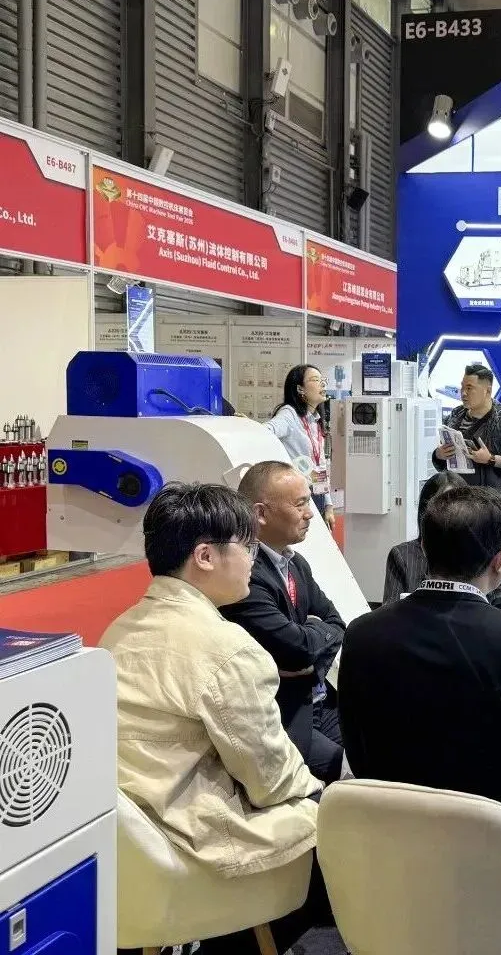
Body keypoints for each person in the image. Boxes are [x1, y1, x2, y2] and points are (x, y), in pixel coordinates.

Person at [101, 483, 333, 955]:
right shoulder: (226, 649)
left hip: (126, 847)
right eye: (247, 547)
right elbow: (271, 780)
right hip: (191, 843)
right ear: (205, 556)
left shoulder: (118, 630)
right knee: (336, 811)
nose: (253, 560)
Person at [338, 485, 501, 856]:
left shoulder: (361, 633)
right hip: (485, 844)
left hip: (386, 842)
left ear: (424, 549)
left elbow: (357, 750)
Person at [222, 461, 346, 784]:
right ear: (261, 514)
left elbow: (337, 623)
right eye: (300, 504)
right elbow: (297, 649)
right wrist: (312, 641)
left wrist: (309, 651)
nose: (310, 514)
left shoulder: (296, 563)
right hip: (284, 717)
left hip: (320, 698)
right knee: (348, 772)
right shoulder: (246, 576)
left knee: (377, 747)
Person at [382, 470, 501, 613]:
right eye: (442, 507)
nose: (452, 517)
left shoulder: (494, 556)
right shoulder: (404, 556)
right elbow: (391, 613)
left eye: (460, 508)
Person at [432, 362, 501, 501]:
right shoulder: (454, 416)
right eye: (462, 387)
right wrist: (438, 455)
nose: (463, 393)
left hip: (492, 504)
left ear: (488, 391)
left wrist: (491, 459)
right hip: (457, 500)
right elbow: (442, 464)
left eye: (469, 388)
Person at [265, 364, 335, 531]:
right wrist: (249, 426)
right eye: (315, 380)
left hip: (316, 493)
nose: (322, 384)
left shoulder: (315, 419)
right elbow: (268, 430)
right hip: (298, 496)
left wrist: (328, 505)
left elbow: (320, 465)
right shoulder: (289, 413)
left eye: (322, 380)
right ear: (300, 389)